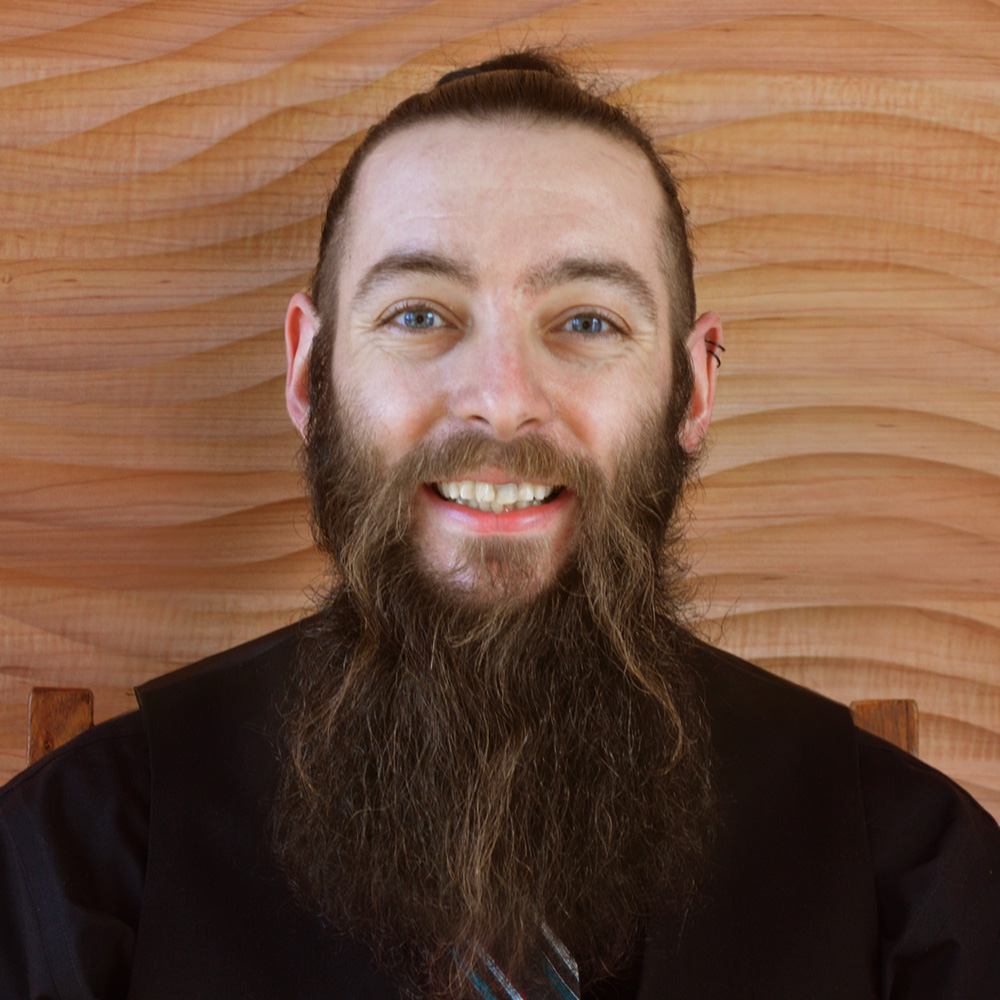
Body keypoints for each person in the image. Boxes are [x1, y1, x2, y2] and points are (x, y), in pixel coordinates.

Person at [2, 51, 999, 1000]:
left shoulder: (911, 873)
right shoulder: (77, 859)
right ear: (309, 373)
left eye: (587, 321)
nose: (502, 401)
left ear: (693, 388)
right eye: (418, 315)